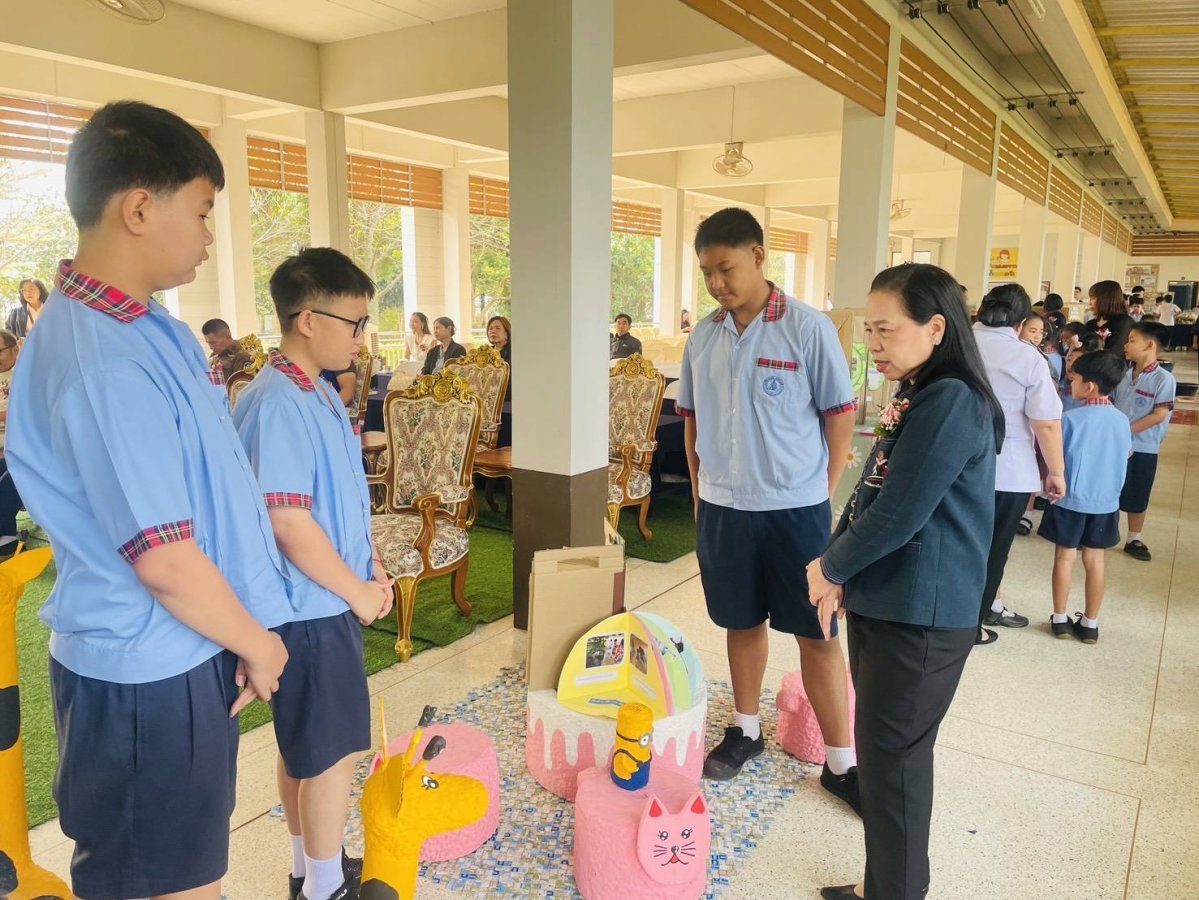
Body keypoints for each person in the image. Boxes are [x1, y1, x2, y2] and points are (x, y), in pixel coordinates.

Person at [5, 100, 291, 900]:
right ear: (138, 207)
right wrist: (259, 643)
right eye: (200, 211)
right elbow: (162, 559)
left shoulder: (146, 328)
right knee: (166, 884)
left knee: (185, 870)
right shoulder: (101, 358)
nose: (207, 236)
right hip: (146, 674)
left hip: (185, 647)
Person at [807, 264, 1005, 900]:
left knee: (893, 766)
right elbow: (871, 490)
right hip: (890, 601)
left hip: (921, 614)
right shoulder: (922, 392)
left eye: (885, 329)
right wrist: (839, 562)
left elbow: (900, 511)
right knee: (886, 758)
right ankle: (884, 885)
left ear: (936, 328)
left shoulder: (951, 401)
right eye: (869, 330)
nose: (873, 343)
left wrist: (830, 566)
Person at [675, 208, 860, 810]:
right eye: (707, 272)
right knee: (741, 620)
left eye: (726, 269)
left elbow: (840, 419)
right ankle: (746, 730)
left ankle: (841, 762)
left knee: (817, 632)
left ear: (758, 257)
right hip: (725, 509)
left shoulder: (808, 328)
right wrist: (700, 496)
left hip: (796, 512)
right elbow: (692, 422)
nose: (717, 283)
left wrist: (821, 495)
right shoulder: (703, 337)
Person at [234, 248, 393, 900]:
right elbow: (288, 520)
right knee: (330, 752)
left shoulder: (316, 390)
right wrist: (356, 591)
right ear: (307, 319)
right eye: (353, 323)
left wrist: (368, 563)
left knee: (304, 743)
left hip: (324, 594)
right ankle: (324, 887)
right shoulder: (277, 402)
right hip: (309, 605)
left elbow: (334, 498)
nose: (360, 338)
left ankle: (310, 868)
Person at [972, 284, 1065, 644]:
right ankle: (970, 627)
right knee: (992, 552)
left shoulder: (955, 344)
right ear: (1021, 322)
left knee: (948, 545)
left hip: (951, 468)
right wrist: (1055, 472)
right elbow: (1046, 422)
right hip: (1006, 471)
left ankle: (941, 621)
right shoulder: (1027, 357)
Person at [1038, 350, 1131, 645]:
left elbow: (1055, 458)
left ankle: (1060, 619)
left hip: (1070, 500)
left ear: (1089, 386)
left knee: (1065, 557)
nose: (1070, 383)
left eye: (1074, 379)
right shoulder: (1122, 421)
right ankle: (1090, 623)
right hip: (1105, 502)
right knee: (1096, 560)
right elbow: (1126, 454)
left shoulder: (1069, 419)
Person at [1113, 321, 1176, 563]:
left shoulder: (1163, 379)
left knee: (1138, 491)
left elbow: (1159, 415)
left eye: (1132, 340)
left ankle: (1134, 538)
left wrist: (1126, 431)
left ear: (1149, 345)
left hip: (1143, 447)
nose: (1126, 345)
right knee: (1111, 486)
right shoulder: (1124, 374)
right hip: (1116, 444)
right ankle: (1102, 530)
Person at [0, 330, 23, 561]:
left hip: (20, 450)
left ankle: (6, 542)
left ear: (15, 349)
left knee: (4, 488)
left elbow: (23, 412)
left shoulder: (26, 375)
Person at [1086, 280, 1134, 352]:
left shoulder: (1124, 322)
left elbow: (1116, 351)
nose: (1090, 303)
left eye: (1093, 298)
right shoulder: (1090, 324)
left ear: (1105, 299)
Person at [202, 317, 252, 383]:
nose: (210, 347)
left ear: (228, 337)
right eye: (208, 343)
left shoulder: (243, 357)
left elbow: (240, 387)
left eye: (213, 342)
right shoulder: (214, 356)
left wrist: (218, 380)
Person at [487, 314, 513, 401]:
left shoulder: (513, 351)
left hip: (507, 399)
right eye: (490, 329)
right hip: (488, 398)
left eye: (497, 328)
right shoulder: (486, 352)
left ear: (507, 332)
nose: (493, 331)